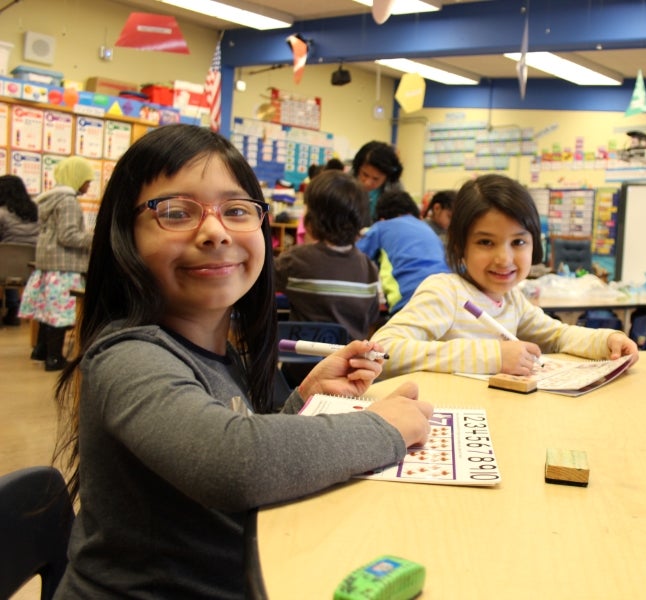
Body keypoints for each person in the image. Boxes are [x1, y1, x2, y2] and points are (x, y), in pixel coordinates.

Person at [51, 124, 432, 599]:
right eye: (175, 212)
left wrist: (304, 398)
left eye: (236, 210)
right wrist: (383, 428)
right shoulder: (127, 355)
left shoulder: (219, 352)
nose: (214, 232)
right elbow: (232, 462)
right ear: (124, 236)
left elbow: (238, 441)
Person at [371, 173, 639, 379]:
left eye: (518, 243)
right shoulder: (446, 291)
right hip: (448, 427)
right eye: (486, 243)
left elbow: (558, 336)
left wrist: (606, 341)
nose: (504, 259)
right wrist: (493, 356)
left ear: (535, 244)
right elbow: (382, 350)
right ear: (459, 246)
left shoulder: (512, 299)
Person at [275, 170, 381, 385]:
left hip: (300, 374)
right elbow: (371, 318)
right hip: (349, 373)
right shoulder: (369, 268)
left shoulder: (295, 261)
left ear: (312, 218)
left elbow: (257, 284)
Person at [18, 157, 94, 370]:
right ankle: (54, 358)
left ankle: (41, 350)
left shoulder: (49, 199)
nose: (88, 185)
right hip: (64, 266)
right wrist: (94, 239)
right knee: (60, 315)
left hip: (48, 265)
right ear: (76, 178)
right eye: (86, 181)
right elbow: (68, 236)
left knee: (46, 312)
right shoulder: (68, 201)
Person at [357, 190, 449, 317]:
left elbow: (354, 257)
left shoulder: (381, 227)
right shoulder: (428, 229)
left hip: (408, 300)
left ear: (382, 217)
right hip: (447, 296)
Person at [0, 174, 39, 325]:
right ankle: (14, 307)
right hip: (31, 268)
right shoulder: (36, 211)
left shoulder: (2, 213)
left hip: (5, 268)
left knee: (6, 262)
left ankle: (12, 306)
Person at [351, 140, 403, 227]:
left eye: (376, 179)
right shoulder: (346, 182)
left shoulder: (395, 188)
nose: (368, 183)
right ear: (358, 168)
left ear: (387, 176)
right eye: (365, 174)